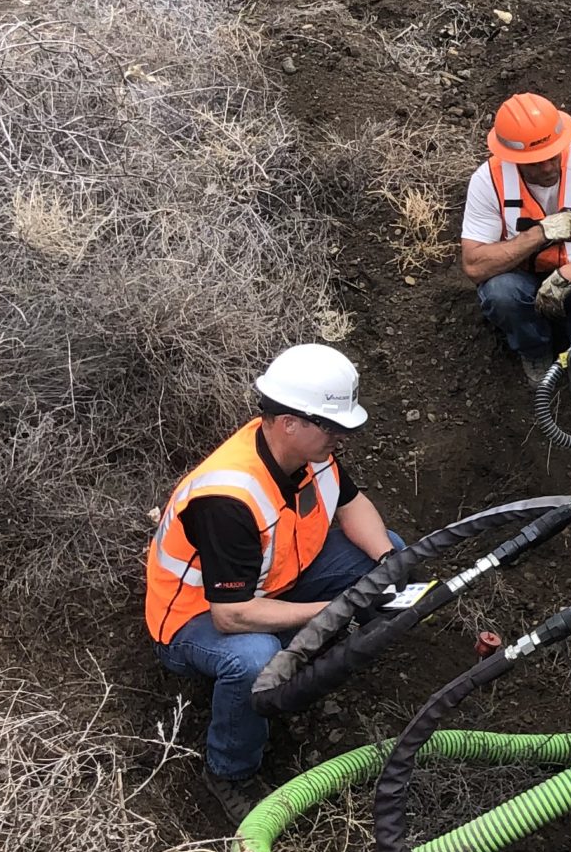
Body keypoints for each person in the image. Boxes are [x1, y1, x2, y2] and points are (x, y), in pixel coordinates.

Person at [145, 344, 400, 818]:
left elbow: (352, 505)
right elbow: (231, 616)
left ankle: (315, 651)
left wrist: (388, 561)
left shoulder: (311, 452)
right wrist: (338, 608)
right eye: (333, 426)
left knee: (392, 555)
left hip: (275, 580)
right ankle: (230, 769)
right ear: (290, 422)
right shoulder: (228, 497)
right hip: (193, 621)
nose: (341, 437)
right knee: (254, 660)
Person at [460, 91, 571, 370]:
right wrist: (539, 234)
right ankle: (535, 352)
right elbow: (474, 264)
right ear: (512, 157)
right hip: (525, 285)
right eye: (535, 161)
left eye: (552, 156)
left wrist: (568, 275)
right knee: (500, 292)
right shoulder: (488, 181)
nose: (547, 168)